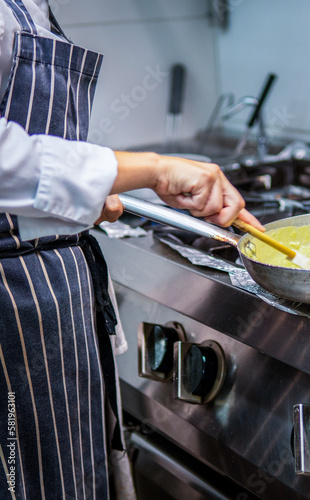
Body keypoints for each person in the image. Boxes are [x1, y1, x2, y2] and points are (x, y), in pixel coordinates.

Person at [0, 1, 262, 499]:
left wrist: (76, 199)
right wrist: (156, 168)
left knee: (73, 474)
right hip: (12, 311)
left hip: (50, 301)